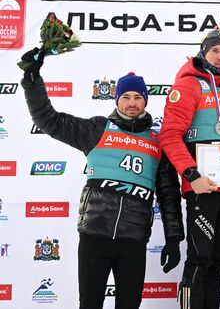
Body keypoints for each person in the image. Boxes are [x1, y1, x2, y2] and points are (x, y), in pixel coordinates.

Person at [19, 48, 184, 309]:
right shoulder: (97, 129)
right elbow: (48, 119)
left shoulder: (158, 141)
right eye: (126, 97)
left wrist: (174, 239)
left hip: (133, 240)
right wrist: (32, 80)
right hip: (95, 236)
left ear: (145, 101)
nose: (132, 103)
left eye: (138, 97)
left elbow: (169, 196)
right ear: (117, 100)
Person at [159, 28, 220, 309]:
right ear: (203, 52)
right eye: (215, 50)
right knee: (199, 259)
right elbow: (169, 135)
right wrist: (191, 176)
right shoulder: (187, 85)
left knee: (219, 261)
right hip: (201, 186)